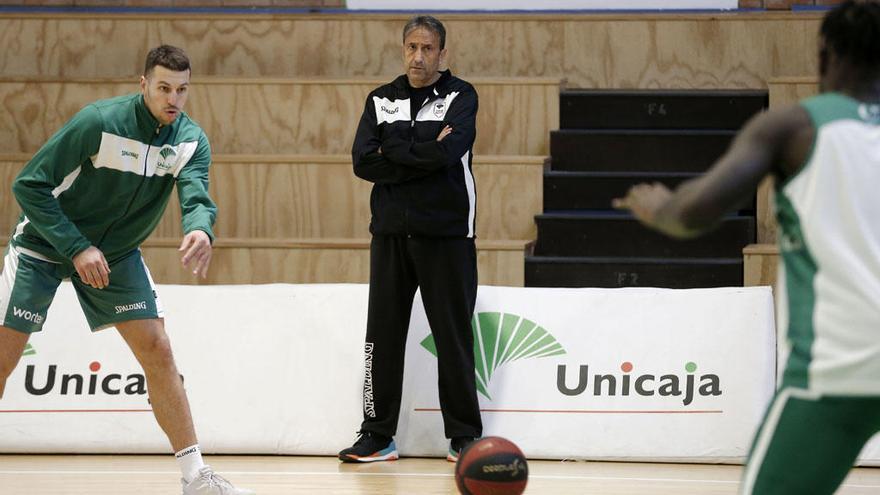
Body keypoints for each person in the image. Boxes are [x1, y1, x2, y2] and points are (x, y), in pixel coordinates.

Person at [613, 2, 880, 493]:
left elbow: (693, 216)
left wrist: (659, 206)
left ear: (825, 54)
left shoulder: (793, 127)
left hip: (839, 368)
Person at [0, 45, 252, 495]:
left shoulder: (190, 140)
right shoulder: (99, 122)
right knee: (2, 358)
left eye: (181, 90)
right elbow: (29, 185)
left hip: (114, 254)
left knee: (158, 348)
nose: (173, 99)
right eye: (163, 88)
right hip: (44, 243)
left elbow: (196, 195)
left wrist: (201, 229)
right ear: (143, 85)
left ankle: (197, 478)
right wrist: (76, 247)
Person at [339, 15, 483, 463]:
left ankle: (463, 437)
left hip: (447, 236)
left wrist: (395, 150)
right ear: (403, 50)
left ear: (443, 53)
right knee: (380, 338)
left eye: (427, 48)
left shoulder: (461, 96)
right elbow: (364, 161)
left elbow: (447, 153)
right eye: (411, 48)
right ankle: (377, 435)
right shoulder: (381, 99)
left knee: (453, 337)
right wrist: (422, 151)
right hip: (389, 236)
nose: (418, 56)